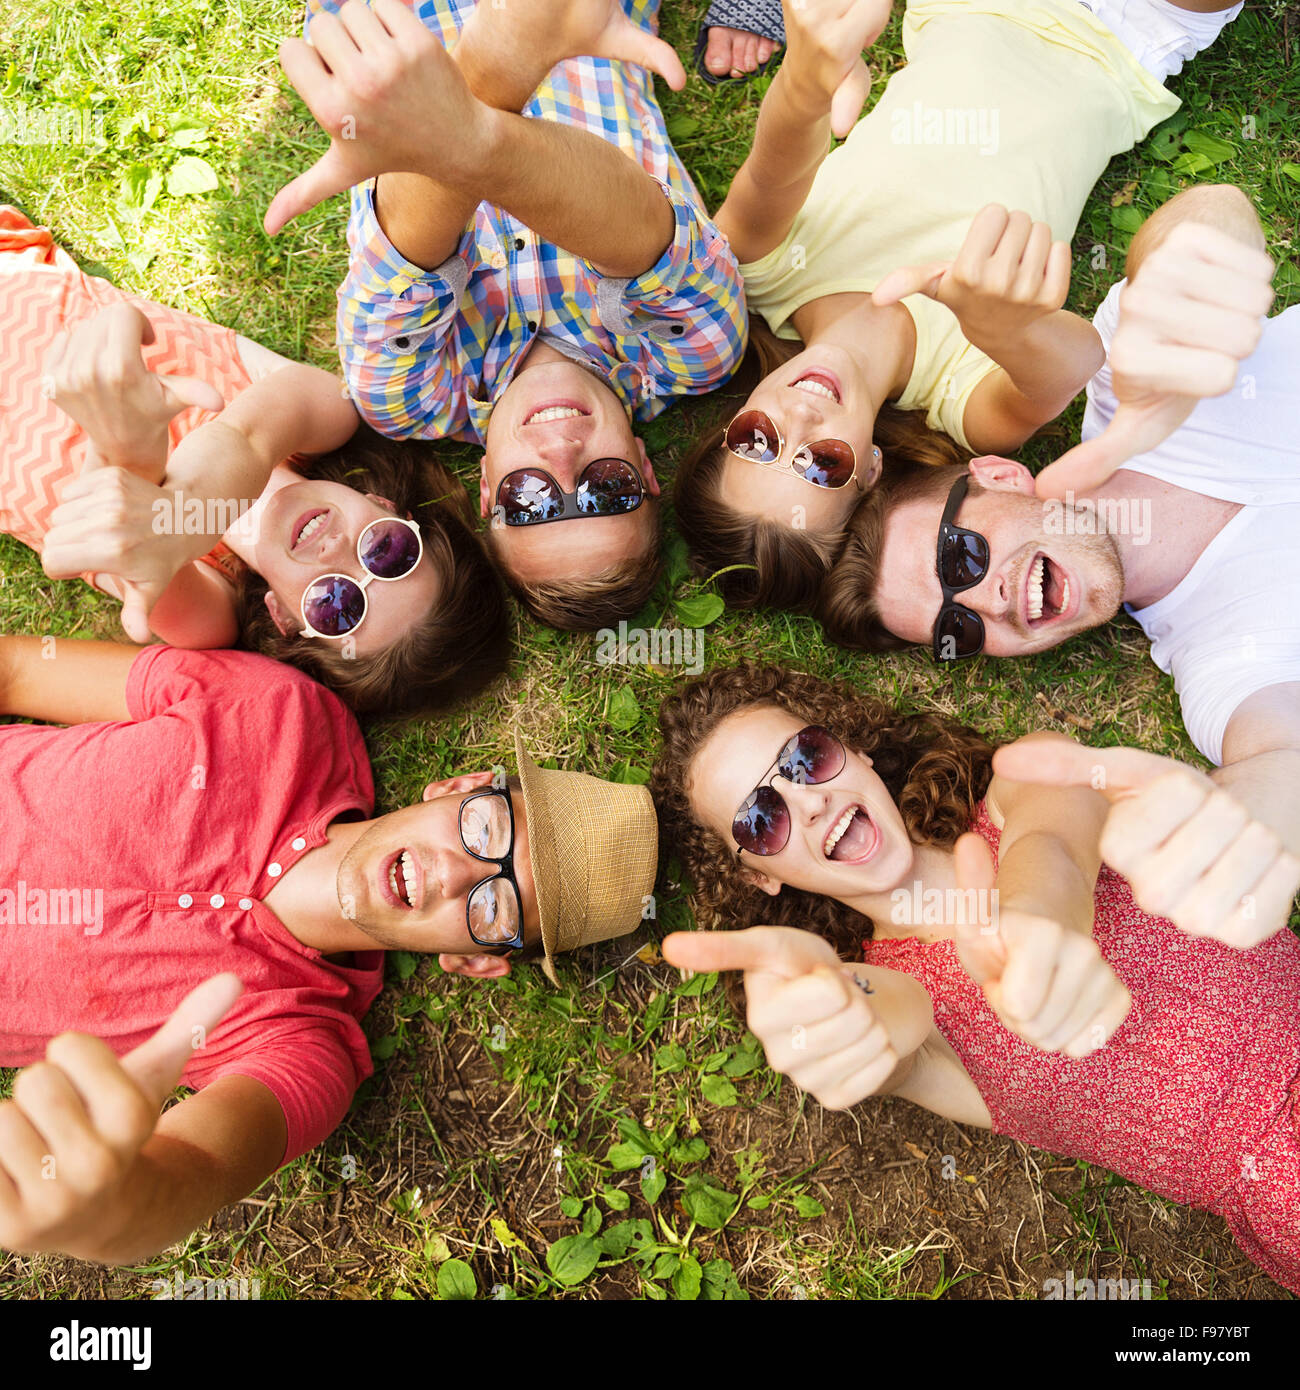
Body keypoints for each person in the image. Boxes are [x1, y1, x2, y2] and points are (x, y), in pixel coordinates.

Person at [0, 634, 658, 1264]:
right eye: (483, 829)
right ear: (456, 786)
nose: (456, 874)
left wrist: (115, 1214)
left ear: (474, 960)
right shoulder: (280, 713)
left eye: (494, 905)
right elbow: (20, 670)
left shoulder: (304, 1047)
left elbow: (194, 1172)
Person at [650, 661, 1300, 1295]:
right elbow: (885, 1020)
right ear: (758, 876)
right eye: (762, 819)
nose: (811, 801)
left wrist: (1043, 916)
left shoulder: (1024, 781)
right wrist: (829, 1011)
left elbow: (1054, 836)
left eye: (807, 757)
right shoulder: (907, 1013)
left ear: (856, 750)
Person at [675, 0, 1243, 611]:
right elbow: (1075, 364)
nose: (801, 422)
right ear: (868, 471)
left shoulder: (757, 278)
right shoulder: (957, 402)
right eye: (821, 465)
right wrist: (1005, 330)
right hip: (1121, 46)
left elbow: (771, 173)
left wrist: (809, 80)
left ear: (731, 422)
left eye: (758, 440)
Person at [820, 185, 1299, 880]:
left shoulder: (1129, 386)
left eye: (960, 559)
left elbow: (1218, 213)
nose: (986, 603)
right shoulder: (1221, 662)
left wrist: (1184, 292)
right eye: (961, 627)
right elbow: (1280, 765)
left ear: (1001, 475)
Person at [266, 0, 748, 630]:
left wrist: (506, 53)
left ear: (489, 489)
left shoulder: (410, 401)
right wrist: (504, 59)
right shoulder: (690, 360)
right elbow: (642, 230)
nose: (563, 456)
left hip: (382, 28)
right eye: (607, 491)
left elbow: (403, 246)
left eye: (529, 502)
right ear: (644, 467)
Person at [0, 207, 508, 717]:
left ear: (283, 617)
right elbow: (249, 433)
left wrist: (130, 467)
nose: (338, 553)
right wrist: (180, 505)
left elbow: (139, 544)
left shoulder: (211, 611)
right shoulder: (329, 418)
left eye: (336, 605)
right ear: (388, 506)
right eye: (387, 550)